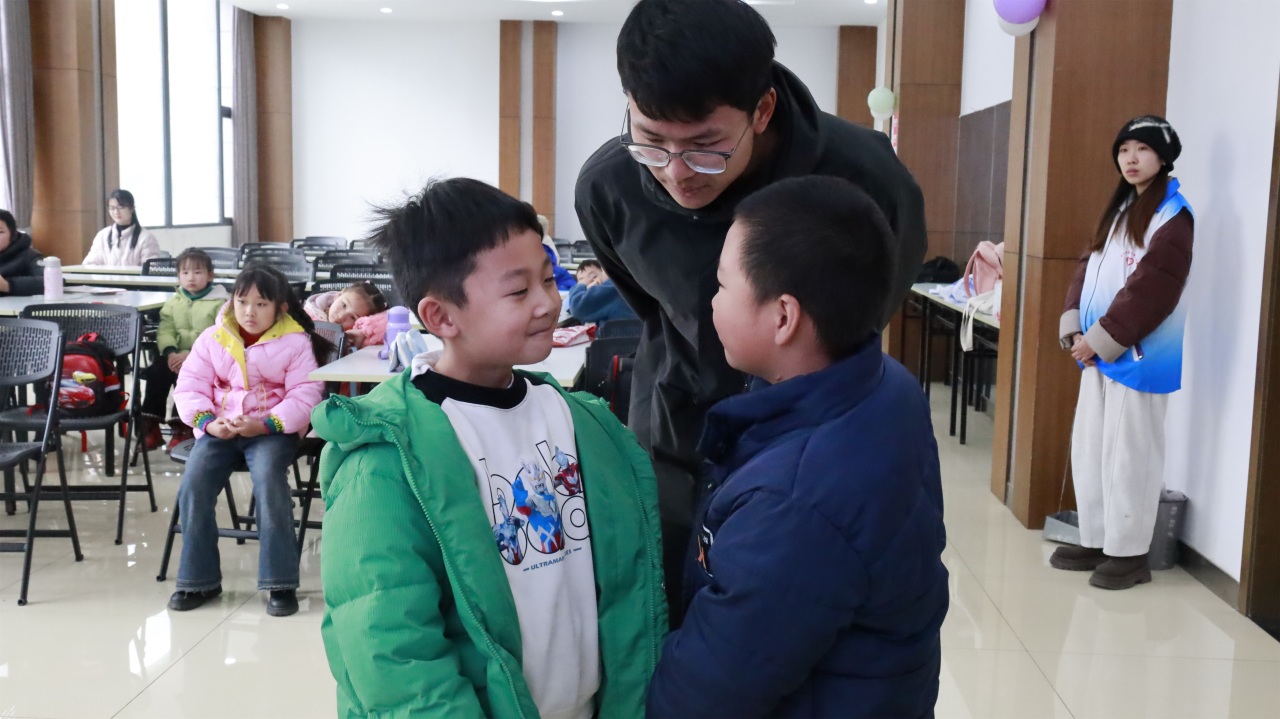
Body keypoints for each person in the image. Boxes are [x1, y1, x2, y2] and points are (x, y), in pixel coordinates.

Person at [574, 0, 927, 619]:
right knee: (672, 613)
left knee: (800, 622)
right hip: (675, 433)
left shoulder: (866, 180)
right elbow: (652, 309)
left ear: (761, 110)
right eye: (651, 142)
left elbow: (865, 316)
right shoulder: (609, 188)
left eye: (705, 146)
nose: (676, 173)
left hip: (812, 446)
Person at [311, 177, 667, 717]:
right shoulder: (386, 456)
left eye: (547, 279)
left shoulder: (580, 420)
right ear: (441, 317)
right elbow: (393, 652)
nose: (548, 302)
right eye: (519, 291)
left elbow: (628, 592)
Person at [644, 176, 947, 718]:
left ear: (783, 317)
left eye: (722, 286)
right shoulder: (888, 382)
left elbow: (705, 697)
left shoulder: (794, 505)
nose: (712, 303)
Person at [1054, 116, 1194, 590]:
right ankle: (1097, 539)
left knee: (1131, 456)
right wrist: (1074, 326)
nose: (1131, 159)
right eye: (1124, 150)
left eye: (1142, 149)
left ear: (1163, 157)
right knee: (1090, 450)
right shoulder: (1120, 210)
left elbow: (1154, 289)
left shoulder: (1173, 217)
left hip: (1139, 357)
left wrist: (1100, 339)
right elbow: (1087, 266)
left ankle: (1130, 554)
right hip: (1099, 352)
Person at [168, 264, 331, 617]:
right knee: (194, 484)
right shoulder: (213, 337)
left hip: (271, 431)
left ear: (280, 308)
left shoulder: (296, 342)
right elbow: (190, 386)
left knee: (270, 483)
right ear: (232, 302)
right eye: (242, 302)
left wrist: (267, 425)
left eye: (261, 304)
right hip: (220, 428)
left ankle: (280, 582)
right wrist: (208, 423)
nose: (249, 312)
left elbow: (306, 394)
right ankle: (199, 580)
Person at [140, 248, 229, 452]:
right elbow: (165, 330)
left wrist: (191, 355)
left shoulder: (221, 303)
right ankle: (151, 426)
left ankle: (182, 428)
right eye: (185, 272)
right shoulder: (173, 303)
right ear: (178, 276)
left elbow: (219, 333)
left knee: (189, 378)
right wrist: (170, 352)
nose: (191, 278)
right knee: (156, 372)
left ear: (210, 276)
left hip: (205, 358)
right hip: (175, 356)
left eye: (197, 272)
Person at [83, 189, 162, 266]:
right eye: (112, 208)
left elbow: (150, 269)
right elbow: (90, 264)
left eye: (120, 207)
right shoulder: (103, 235)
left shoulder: (146, 238)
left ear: (131, 208)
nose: (116, 212)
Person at [303, 280, 391, 348]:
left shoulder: (355, 338)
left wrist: (363, 332)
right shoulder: (306, 318)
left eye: (353, 317)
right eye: (344, 305)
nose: (341, 316)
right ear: (338, 295)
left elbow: (390, 324)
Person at [567, 259, 637, 324]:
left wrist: (581, 284)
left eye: (594, 277)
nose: (589, 282)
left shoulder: (612, 288)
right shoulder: (628, 281)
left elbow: (577, 306)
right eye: (581, 279)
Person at [0, 209, 43, 296]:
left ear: (12, 233)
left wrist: (7, 285)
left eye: (0, 232)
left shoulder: (29, 256)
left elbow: (50, 282)